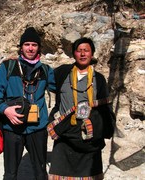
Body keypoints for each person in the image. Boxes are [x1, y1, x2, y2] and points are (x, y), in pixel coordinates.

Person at [0, 26, 56, 180]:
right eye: (27, 44)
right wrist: (5, 110)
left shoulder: (46, 70)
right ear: (21, 47)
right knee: (10, 173)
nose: (30, 48)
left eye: (34, 44)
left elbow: (61, 88)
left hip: (37, 127)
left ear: (39, 48)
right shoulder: (8, 67)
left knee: (40, 172)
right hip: (12, 127)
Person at [48, 37, 116, 179]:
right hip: (65, 137)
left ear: (92, 54)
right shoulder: (62, 73)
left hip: (89, 138)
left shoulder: (99, 79)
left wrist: (102, 130)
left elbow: (105, 109)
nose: (83, 54)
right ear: (74, 54)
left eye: (86, 50)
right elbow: (41, 79)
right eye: (79, 51)